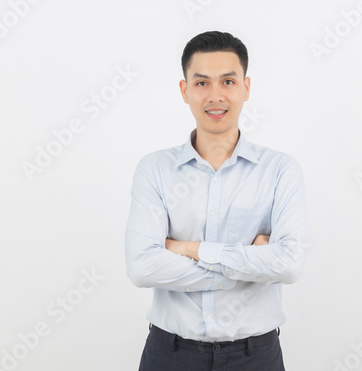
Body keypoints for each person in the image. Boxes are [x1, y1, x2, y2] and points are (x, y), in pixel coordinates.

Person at [125, 30, 309, 371]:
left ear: (246, 88)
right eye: (201, 83)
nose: (215, 96)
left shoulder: (280, 170)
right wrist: (251, 265)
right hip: (171, 355)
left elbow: (289, 264)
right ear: (185, 91)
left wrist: (189, 249)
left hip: (256, 357)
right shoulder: (155, 169)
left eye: (227, 81)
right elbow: (141, 267)